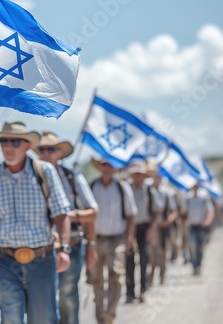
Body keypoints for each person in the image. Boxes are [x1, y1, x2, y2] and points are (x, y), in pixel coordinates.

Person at [0, 121, 72, 324]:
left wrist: (63, 249)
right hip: (4, 261)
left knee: (44, 319)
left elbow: (61, 214)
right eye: (4, 141)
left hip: (42, 260)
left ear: (27, 145)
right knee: (10, 319)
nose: (9, 147)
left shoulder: (44, 173)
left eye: (15, 142)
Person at [35, 131, 98, 324]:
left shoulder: (72, 177)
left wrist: (70, 216)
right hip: (40, 247)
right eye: (42, 149)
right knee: (42, 297)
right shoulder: (30, 177)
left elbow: (93, 212)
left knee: (67, 295)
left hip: (72, 243)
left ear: (59, 153)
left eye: (50, 149)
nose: (46, 153)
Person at [87, 157, 137, 324]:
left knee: (115, 274)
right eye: (104, 165)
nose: (107, 168)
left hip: (117, 239)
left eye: (110, 165)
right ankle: (100, 314)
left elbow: (131, 216)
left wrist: (130, 238)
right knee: (96, 278)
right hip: (96, 239)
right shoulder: (92, 187)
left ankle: (110, 313)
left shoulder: (123, 188)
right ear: (100, 167)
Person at [125, 160, 163, 304]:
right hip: (129, 229)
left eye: (140, 174)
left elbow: (156, 211)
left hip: (143, 228)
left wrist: (152, 229)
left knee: (144, 259)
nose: (137, 177)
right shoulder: (126, 189)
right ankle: (130, 292)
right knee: (129, 260)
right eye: (135, 174)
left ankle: (143, 289)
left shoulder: (148, 190)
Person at [148, 172, 178, 286]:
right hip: (151, 228)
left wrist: (167, 221)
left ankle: (162, 276)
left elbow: (173, 211)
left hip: (163, 229)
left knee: (163, 253)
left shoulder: (166, 193)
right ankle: (149, 278)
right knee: (151, 254)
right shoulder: (149, 191)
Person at [186, 183, 215, 275]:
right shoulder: (188, 197)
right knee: (192, 246)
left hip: (201, 226)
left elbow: (210, 210)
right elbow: (183, 211)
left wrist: (207, 221)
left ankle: (198, 265)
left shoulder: (203, 197)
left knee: (200, 247)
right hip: (191, 226)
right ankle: (194, 265)